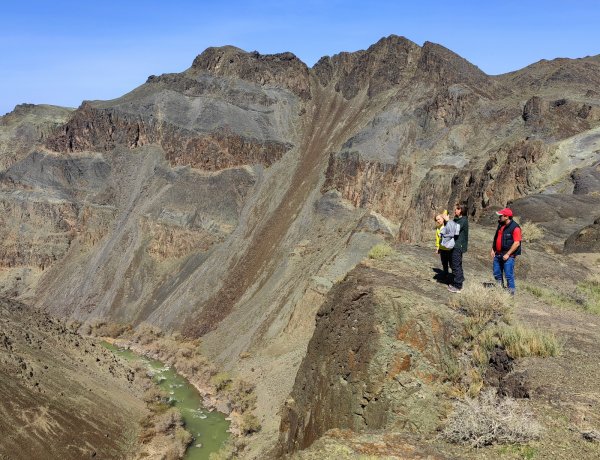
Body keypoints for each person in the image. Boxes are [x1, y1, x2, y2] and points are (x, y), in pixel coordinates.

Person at [490, 207, 521, 295]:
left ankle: (511, 294)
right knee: (497, 273)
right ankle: (499, 289)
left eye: (501, 216)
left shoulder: (515, 228)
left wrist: (508, 254)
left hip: (508, 256)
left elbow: (516, 243)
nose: (499, 217)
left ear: (506, 217)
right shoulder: (500, 224)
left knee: (508, 275)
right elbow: (496, 238)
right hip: (498, 254)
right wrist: (493, 249)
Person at [448, 203, 469, 293]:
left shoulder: (463, 220)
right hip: (455, 245)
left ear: (462, 210)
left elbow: (455, 230)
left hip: (458, 246)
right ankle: (458, 280)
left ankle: (458, 286)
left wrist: (447, 220)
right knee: (455, 264)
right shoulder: (458, 219)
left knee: (456, 265)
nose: (455, 210)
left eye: (458, 209)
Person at [434, 211, 453, 282]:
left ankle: (454, 277)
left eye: (439, 219)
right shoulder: (438, 228)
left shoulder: (447, 225)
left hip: (449, 249)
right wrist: (438, 247)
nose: (438, 221)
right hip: (442, 249)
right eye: (437, 220)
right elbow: (437, 239)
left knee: (452, 264)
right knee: (444, 263)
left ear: (443, 218)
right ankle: (445, 275)